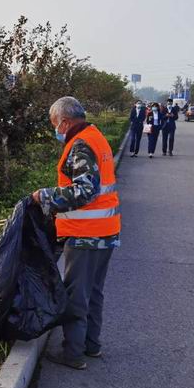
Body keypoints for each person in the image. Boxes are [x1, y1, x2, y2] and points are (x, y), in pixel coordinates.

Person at [31, 96, 120, 370]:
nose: (55, 130)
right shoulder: (96, 137)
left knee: (76, 294)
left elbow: (85, 190)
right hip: (106, 230)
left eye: (55, 124)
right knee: (93, 291)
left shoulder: (80, 145)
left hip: (86, 234)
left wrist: (45, 196)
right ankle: (91, 345)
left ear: (66, 121)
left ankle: (73, 353)